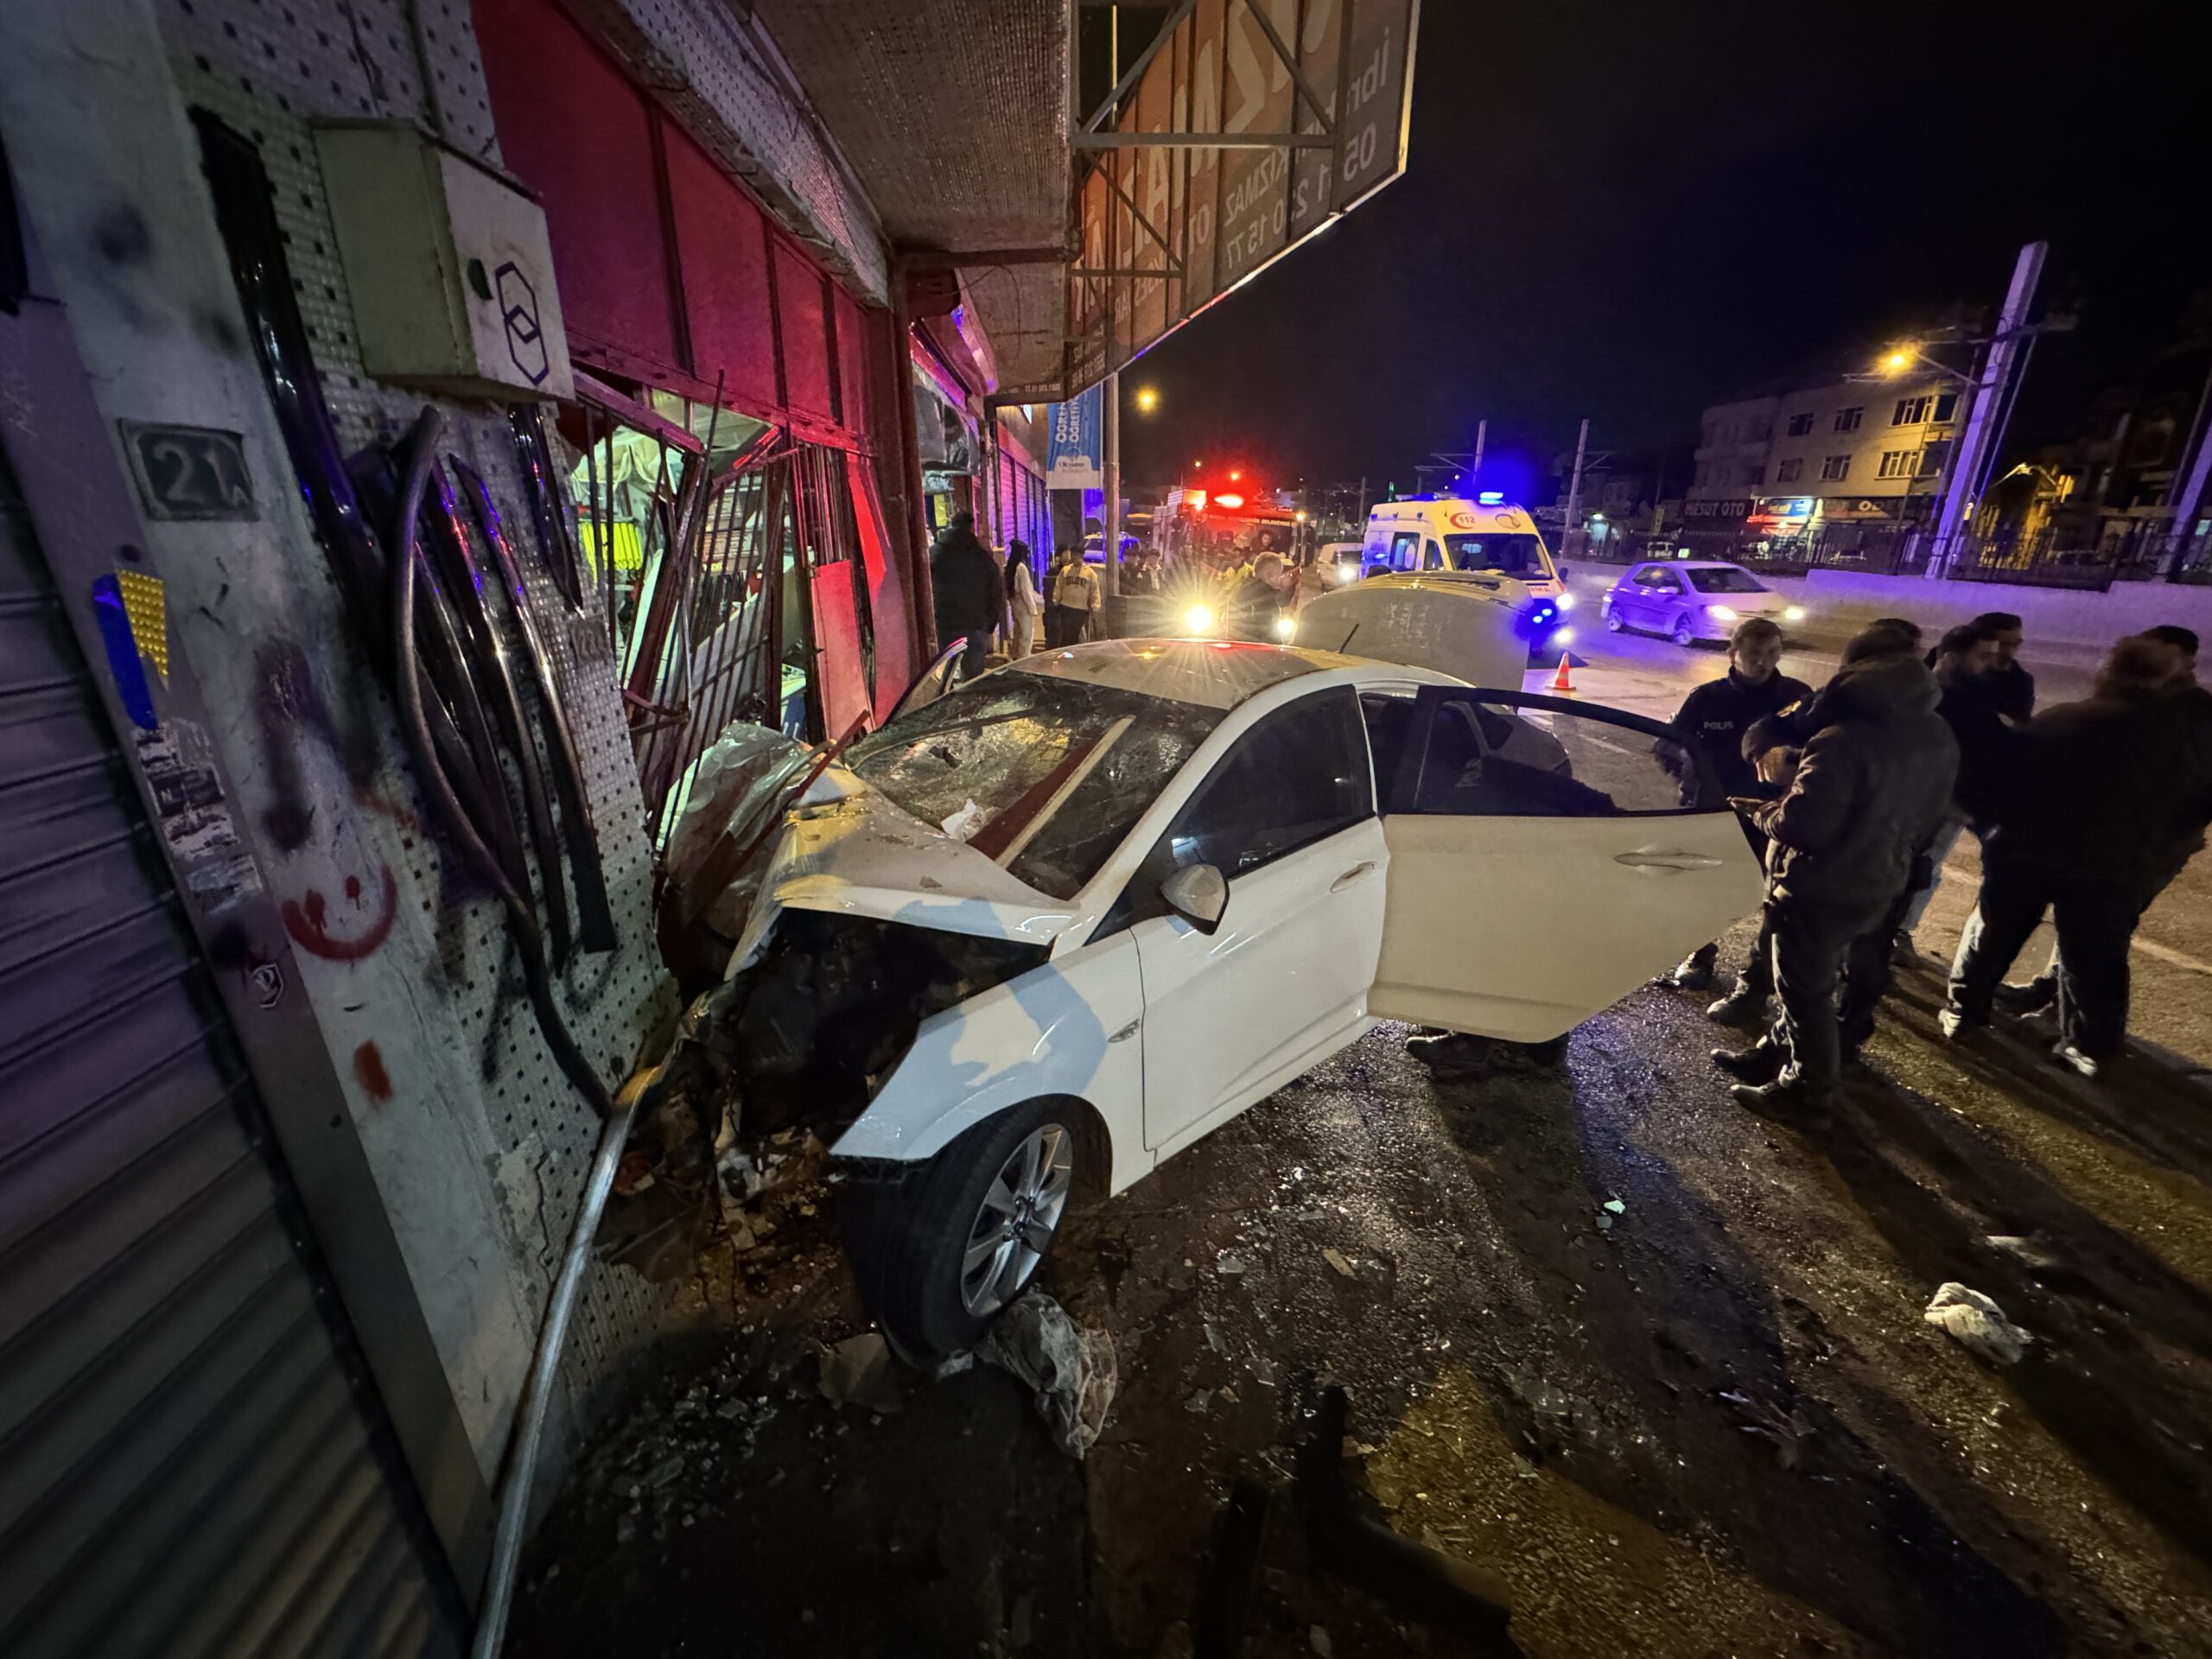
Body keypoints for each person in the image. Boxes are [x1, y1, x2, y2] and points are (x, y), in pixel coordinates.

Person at [1717, 626, 1957, 1122]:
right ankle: (1773, 1053)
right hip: (1880, 877)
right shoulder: (1936, 732)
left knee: (1804, 991)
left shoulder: (1839, 740)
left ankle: (1808, 1092)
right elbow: (1932, 814)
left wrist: (1759, 810)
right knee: (1809, 982)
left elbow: (1804, 826)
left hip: (1820, 885)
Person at [1945, 635, 2212, 1077]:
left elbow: (1994, 777)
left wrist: (1992, 830)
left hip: (2026, 854)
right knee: (2095, 955)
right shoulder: (2182, 739)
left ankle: (1964, 1013)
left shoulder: (2065, 720)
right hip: (2113, 864)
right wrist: (2166, 844)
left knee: (1992, 936)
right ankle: (2090, 1045)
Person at [1662, 616, 1811, 1023]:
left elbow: (1817, 754)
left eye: (1772, 654)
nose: (1762, 663)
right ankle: (1701, 951)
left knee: (1770, 894)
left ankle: (1758, 976)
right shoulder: (1706, 698)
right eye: (1754, 654)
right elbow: (1668, 748)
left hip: (1772, 815)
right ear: (1733, 654)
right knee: (1703, 887)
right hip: (1710, 811)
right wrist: (1691, 784)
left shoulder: (1797, 699)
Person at [1897, 622, 2015, 940]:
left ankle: (1897, 935)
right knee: (1898, 870)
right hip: (1915, 804)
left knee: (1926, 872)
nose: (1991, 663)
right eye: (1982, 656)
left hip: (1954, 807)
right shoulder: (1919, 695)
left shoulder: (1978, 697)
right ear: (1949, 658)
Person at [930, 510, 1000, 681]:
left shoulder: (934, 554)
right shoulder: (981, 558)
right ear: (971, 527)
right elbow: (995, 593)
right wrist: (990, 625)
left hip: (944, 624)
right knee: (973, 679)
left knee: (945, 675)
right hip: (975, 624)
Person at [1224, 550, 1296, 641]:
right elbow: (1270, 636)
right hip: (1256, 653)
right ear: (1270, 576)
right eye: (1279, 574)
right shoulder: (1267, 600)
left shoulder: (1240, 590)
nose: (1281, 578)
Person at [1045, 545, 1100, 647]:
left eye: (1077, 555)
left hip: (1080, 609)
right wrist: (1056, 600)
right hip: (1066, 606)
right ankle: (1067, 655)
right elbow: (1059, 586)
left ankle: (1071, 654)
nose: (1074, 557)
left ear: (1082, 556)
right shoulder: (1065, 570)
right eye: (1073, 554)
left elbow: (1094, 590)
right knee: (1066, 634)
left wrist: (1095, 604)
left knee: (1074, 634)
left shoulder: (1090, 573)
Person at [1002, 537, 1040, 658]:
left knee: (1018, 632)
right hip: (1023, 604)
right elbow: (1026, 591)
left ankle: (1015, 654)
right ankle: (1023, 657)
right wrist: (1032, 608)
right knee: (1027, 634)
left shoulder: (1009, 567)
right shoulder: (1021, 568)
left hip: (1014, 603)